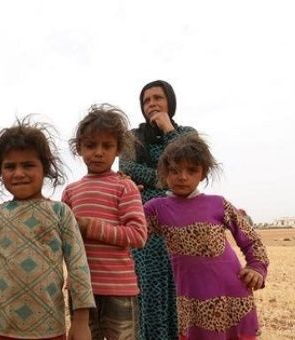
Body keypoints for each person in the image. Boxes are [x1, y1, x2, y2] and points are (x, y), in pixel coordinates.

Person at [0, 117, 95, 340]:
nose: (18, 173)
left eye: (28, 165)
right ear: (0, 172)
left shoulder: (60, 213)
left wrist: (81, 321)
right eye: (10, 166)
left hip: (47, 327)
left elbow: (78, 267)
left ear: (45, 168)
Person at [145, 133, 269, 339]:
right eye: (175, 170)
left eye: (191, 170)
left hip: (233, 296)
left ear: (202, 174)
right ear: (164, 173)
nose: (182, 176)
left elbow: (251, 238)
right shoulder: (156, 209)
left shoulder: (218, 203)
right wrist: (125, 191)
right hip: (192, 303)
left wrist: (257, 267)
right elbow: (130, 231)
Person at [62, 104, 147, 340]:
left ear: (118, 149)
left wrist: (90, 227)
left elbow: (138, 235)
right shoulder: (71, 191)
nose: (98, 152)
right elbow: (64, 240)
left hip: (119, 289)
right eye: (90, 145)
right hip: (81, 291)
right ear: (79, 148)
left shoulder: (124, 186)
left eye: (107, 146)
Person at [119, 80, 195, 340]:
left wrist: (168, 129)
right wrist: (168, 179)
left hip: (182, 222)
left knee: (181, 290)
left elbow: (191, 165)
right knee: (147, 289)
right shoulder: (132, 137)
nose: (151, 104)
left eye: (157, 98)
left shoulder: (186, 134)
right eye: (146, 100)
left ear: (170, 101)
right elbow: (127, 168)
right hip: (145, 225)